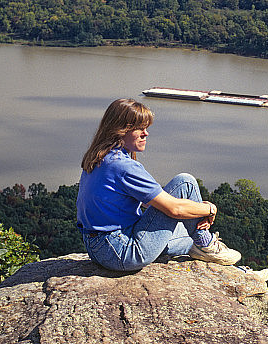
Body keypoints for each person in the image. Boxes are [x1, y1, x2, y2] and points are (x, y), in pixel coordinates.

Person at [76, 98, 242, 271]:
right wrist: (209, 209)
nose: (145, 133)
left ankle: (235, 268)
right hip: (123, 251)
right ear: (120, 130)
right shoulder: (123, 166)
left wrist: (194, 211)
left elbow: (149, 202)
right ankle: (207, 245)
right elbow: (174, 209)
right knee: (185, 183)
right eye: (139, 128)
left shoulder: (101, 158)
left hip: (98, 248)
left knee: (188, 237)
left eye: (146, 128)